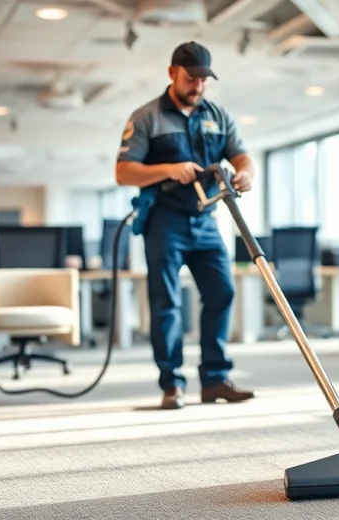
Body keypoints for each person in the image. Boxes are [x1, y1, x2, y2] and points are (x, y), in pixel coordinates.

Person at [115, 41, 256, 410]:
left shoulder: (217, 115)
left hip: (206, 219)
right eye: (191, 78)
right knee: (166, 302)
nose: (197, 86)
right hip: (165, 220)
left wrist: (244, 172)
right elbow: (123, 171)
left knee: (222, 292)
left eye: (203, 80)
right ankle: (172, 384)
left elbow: (241, 154)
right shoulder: (146, 117)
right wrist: (167, 169)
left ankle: (214, 379)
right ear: (172, 73)